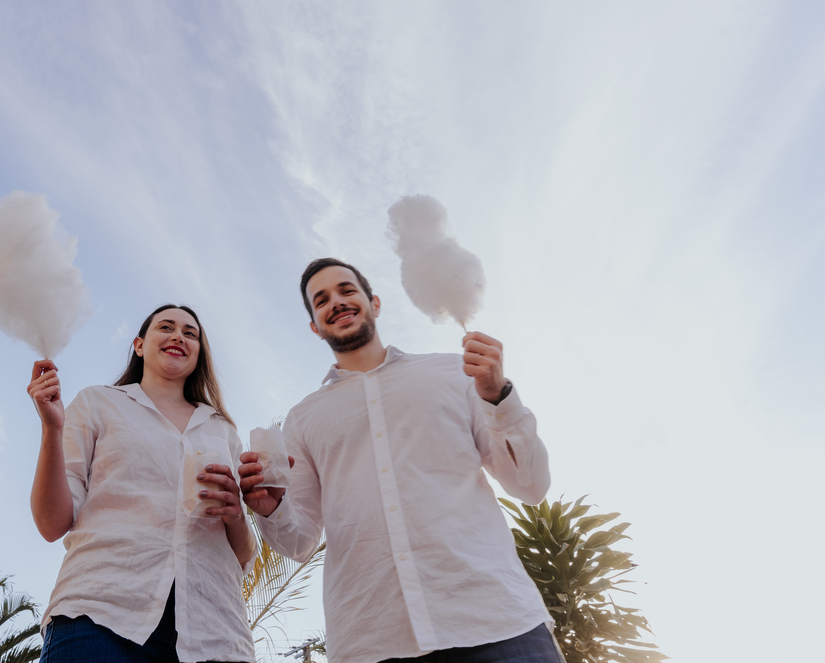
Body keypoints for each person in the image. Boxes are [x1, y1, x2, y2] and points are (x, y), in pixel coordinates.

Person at [239, 259, 560, 663]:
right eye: (321, 301)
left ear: (374, 302)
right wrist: (271, 508)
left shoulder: (456, 373)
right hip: (373, 640)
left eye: (346, 290)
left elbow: (529, 485)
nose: (336, 302)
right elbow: (299, 543)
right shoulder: (303, 418)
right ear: (314, 327)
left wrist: (499, 395)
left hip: (497, 621)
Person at [29, 304, 256, 663]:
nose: (178, 336)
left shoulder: (223, 431)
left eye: (190, 333)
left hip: (215, 634)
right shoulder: (98, 402)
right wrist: (52, 429)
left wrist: (236, 515)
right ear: (138, 345)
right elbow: (51, 523)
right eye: (166, 327)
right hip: (101, 616)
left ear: (199, 353)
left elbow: (242, 556)